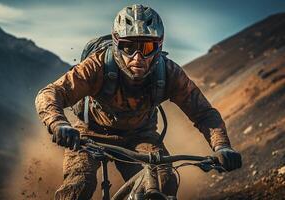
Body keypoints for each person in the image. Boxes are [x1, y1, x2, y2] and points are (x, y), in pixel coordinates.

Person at [35, 4, 242, 200]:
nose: (138, 56)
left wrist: (222, 146)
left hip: (141, 136)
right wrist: (58, 123)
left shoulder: (169, 73)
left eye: (147, 46)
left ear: (159, 46)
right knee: (80, 183)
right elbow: (51, 92)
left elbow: (203, 112)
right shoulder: (97, 65)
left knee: (164, 181)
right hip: (90, 134)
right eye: (128, 46)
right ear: (117, 44)